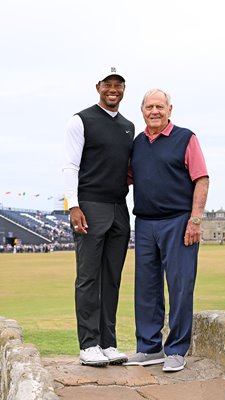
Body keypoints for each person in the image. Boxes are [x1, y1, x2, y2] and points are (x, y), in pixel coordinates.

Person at [124, 89, 209, 372]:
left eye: (160, 106)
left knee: (180, 286)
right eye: (149, 107)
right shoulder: (137, 143)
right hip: (145, 223)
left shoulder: (186, 138)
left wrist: (195, 220)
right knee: (146, 288)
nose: (155, 111)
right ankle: (149, 348)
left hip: (179, 221)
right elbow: (127, 178)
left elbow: (202, 179)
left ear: (170, 109)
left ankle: (176, 350)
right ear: (142, 111)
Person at [63, 67, 135, 367]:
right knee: (89, 277)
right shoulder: (81, 120)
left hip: (120, 208)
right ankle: (88, 344)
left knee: (112, 279)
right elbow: (70, 165)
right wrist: (73, 206)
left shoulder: (129, 126)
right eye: (108, 84)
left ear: (124, 89)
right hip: (89, 206)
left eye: (118, 85)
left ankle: (108, 342)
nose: (113, 90)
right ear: (98, 87)